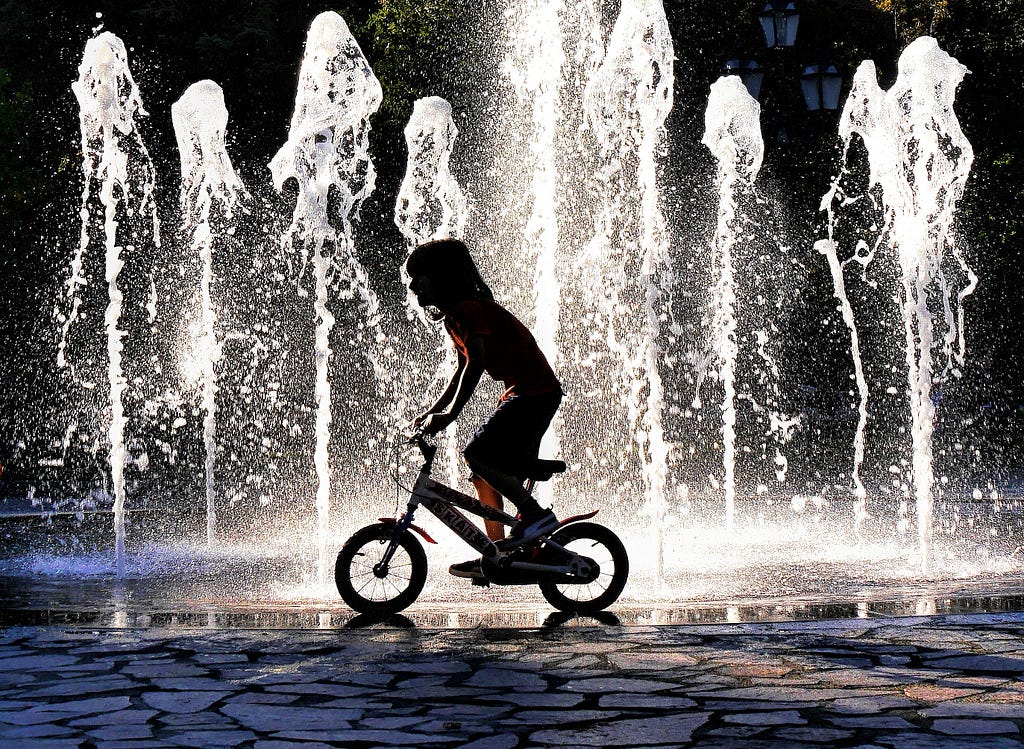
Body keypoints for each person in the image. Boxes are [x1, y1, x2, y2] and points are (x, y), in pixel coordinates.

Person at [407, 238, 562, 580]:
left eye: (419, 277)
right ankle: (495, 554)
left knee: (477, 454)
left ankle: (535, 515)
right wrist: (434, 409)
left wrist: (449, 416)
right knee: (482, 472)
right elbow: (461, 368)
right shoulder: (454, 318)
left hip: (535, 393)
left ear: (442, 277)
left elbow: (475, 365)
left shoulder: (467, 310)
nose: (412, 284)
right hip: (522, 394)